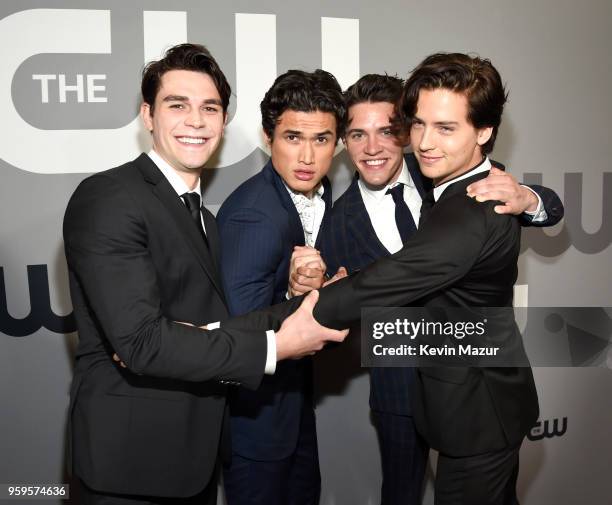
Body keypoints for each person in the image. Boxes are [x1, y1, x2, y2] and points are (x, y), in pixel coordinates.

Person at [244, 52, 549, 505]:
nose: (373, 148)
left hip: (477, 387)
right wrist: (300, 287)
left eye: (387, 131)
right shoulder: (333, 220)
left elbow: (538, 207)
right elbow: (338, 297)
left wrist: (529, 196)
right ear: (344, 142)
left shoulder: (454, 176)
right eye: (357, 134)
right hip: (399, 387)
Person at [62, 43, 346, 505]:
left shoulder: (203, 218)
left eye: (209, 107)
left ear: (224, 122)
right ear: (148, 115)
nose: (196, 120)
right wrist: (280, 345)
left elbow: (217, 325)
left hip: (194, 458)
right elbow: (142, 345)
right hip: (129, 465)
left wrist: (309, 304)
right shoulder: (109, 197)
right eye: (178, 105)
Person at [216, 69, 345, 505]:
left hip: (292, 408)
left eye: (322, 139)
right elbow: (244, 332)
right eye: (293, 137)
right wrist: (301, 297)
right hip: (258, 425)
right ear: (269, 137)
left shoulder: (319, 194)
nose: (307, 156)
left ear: (338, 143)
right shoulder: (256, 214)